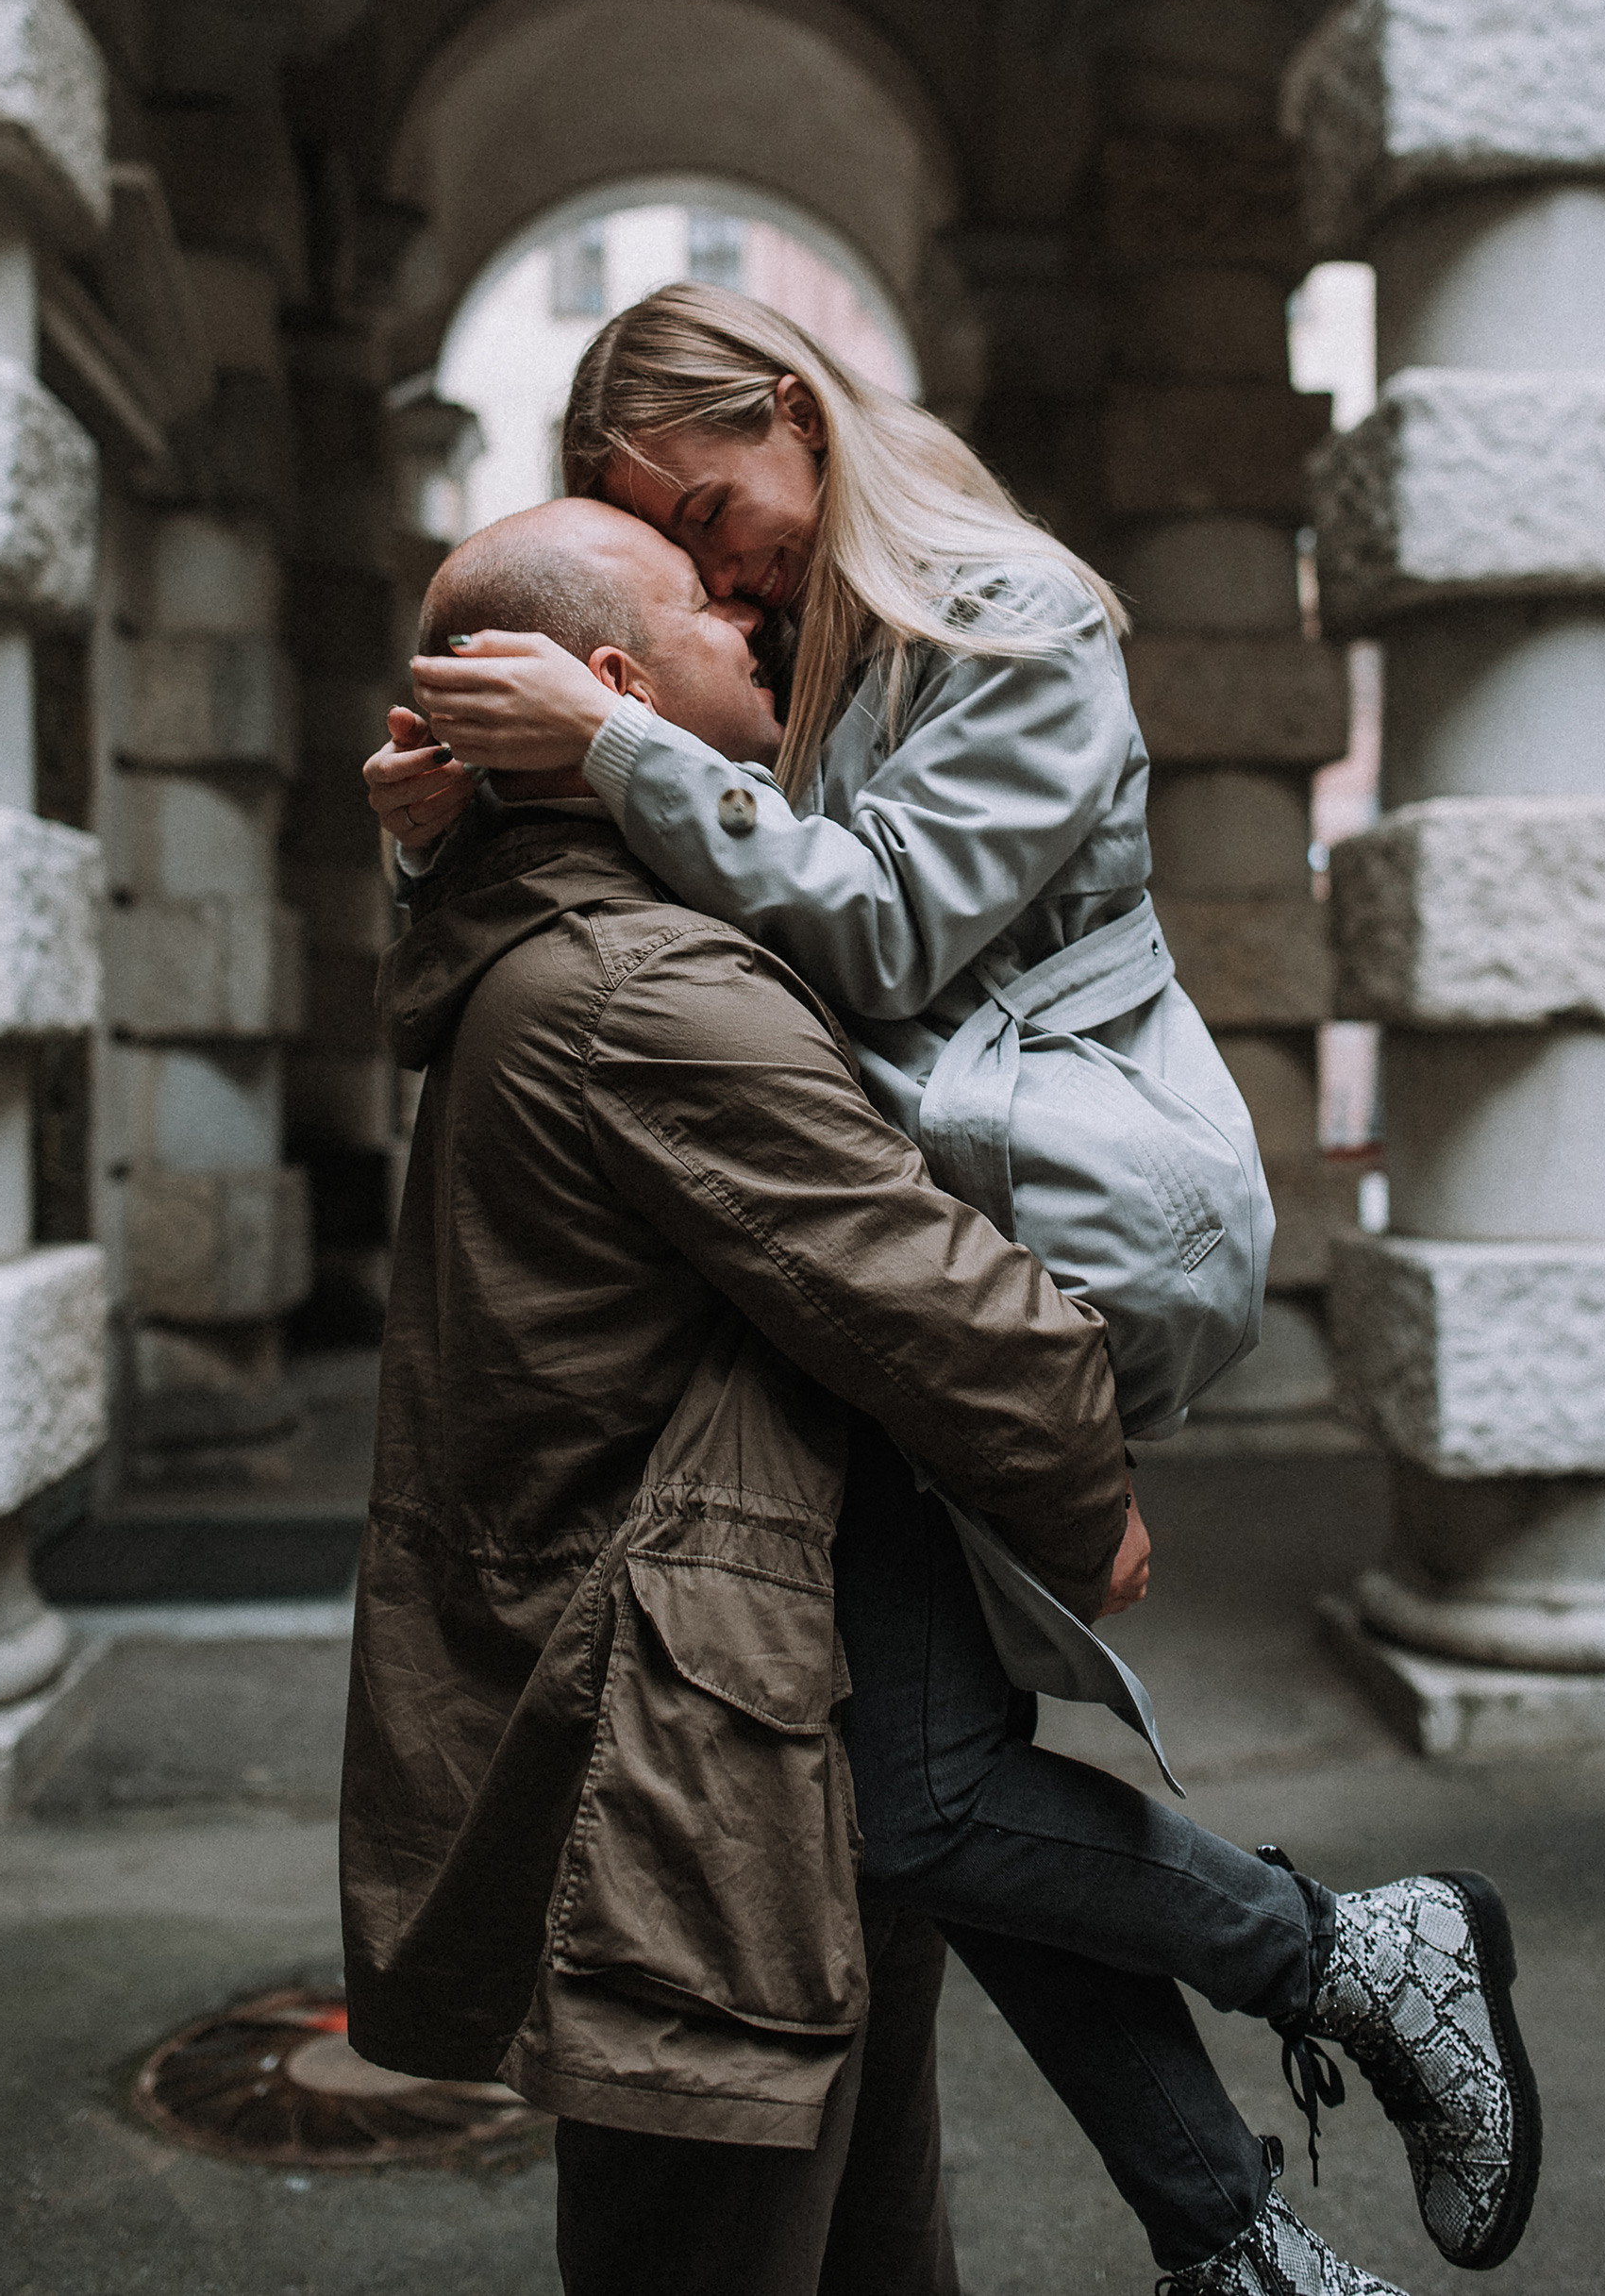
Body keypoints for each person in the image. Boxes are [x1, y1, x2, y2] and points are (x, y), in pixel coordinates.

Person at [361, 488, 1541, 2296]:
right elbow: (925, 1288)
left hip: (722, 1673)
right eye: (702, 597)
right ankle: (1333, 1986)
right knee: (758, 2172)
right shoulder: (652, 983)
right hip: (681, 1721)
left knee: (889, 1996)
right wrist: (1083, 1490)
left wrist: (444, 849)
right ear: (611, 682)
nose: (751, 621)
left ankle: (1239, 2233)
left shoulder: (551, 935)